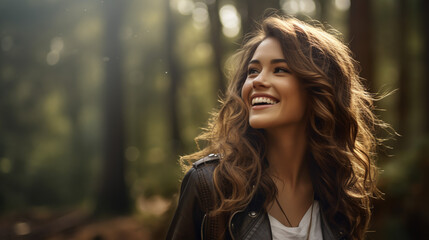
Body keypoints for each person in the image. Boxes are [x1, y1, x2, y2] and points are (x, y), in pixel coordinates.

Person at [166, 15, 386, 240]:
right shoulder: (210, 186)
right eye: (253, 71)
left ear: (318, 88)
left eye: (279, 70)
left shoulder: (342, 195)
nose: (257, 81)